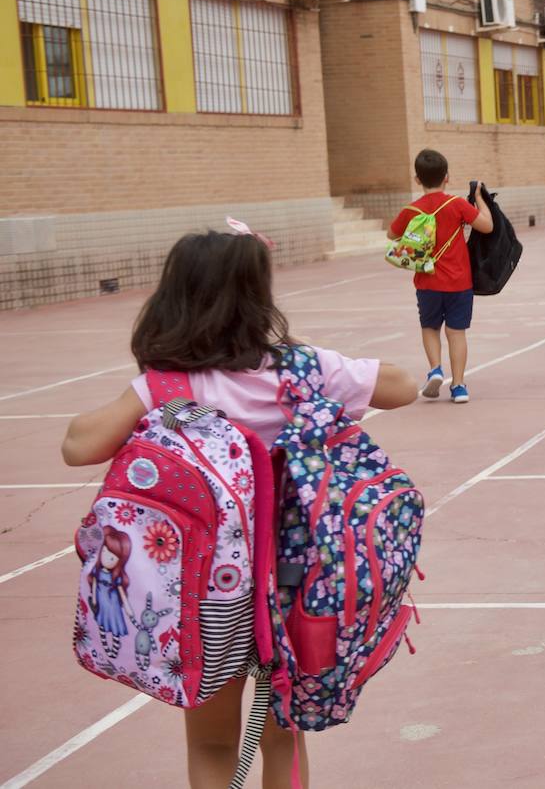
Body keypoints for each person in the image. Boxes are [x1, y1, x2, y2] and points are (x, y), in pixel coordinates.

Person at [60, 226, 418, 787]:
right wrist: (311, 370)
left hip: (206, 589)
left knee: (211, 742)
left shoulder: (168, 388)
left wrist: (148, 394)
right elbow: (404, 386)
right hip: (301, 584)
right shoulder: (302, 371)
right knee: (283, 734)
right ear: (259, 296)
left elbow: (78, 446)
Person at [388, 149, 493, 403]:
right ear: (447, 177)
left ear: (417, 180)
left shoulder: (411, 209)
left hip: (427, 281)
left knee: (430, 327)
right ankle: (458, 386)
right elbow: (487, 226)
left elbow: (392, 236)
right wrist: (479, 198)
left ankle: (435, 369)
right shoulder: (456, 204)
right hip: (459, 282)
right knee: (456, 333)